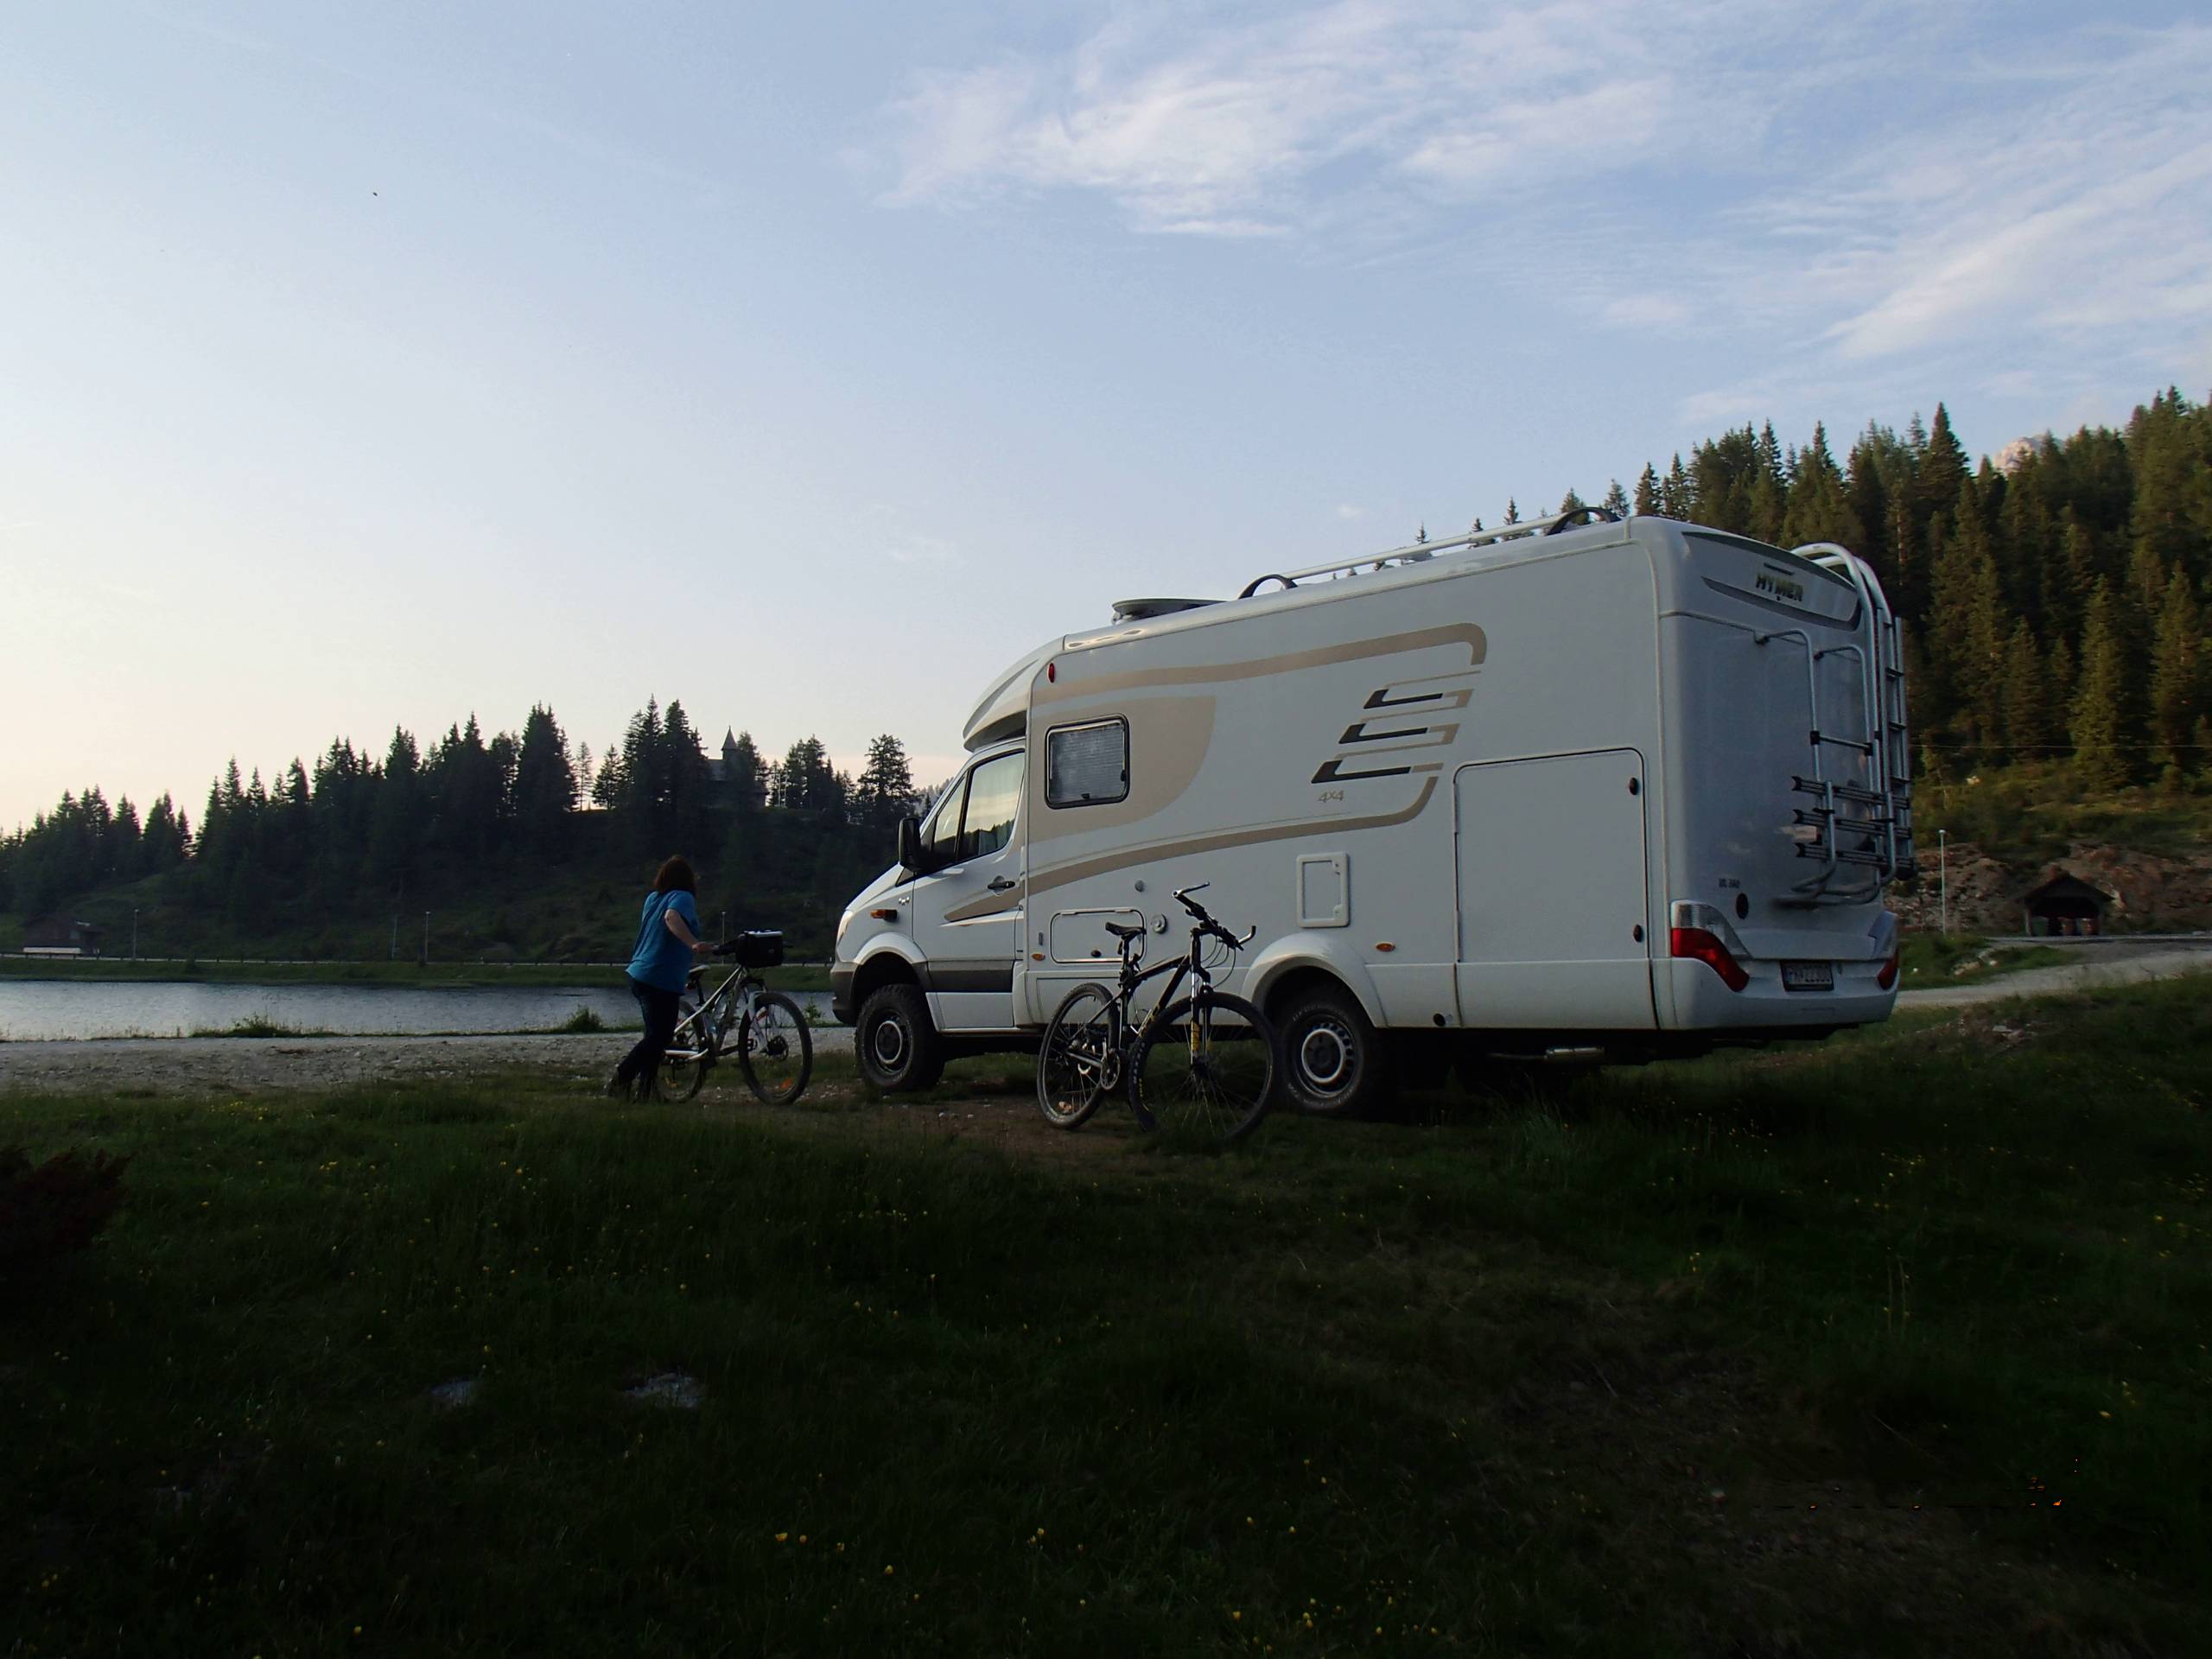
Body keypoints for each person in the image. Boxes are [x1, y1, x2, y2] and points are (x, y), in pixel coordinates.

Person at [606, 855, 713, 1099]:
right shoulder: (682, 897)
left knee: (653, 1037)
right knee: (661, 1036)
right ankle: (621, 1077)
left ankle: (646, 1092)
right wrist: (694, 944)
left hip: (639, 973)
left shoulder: (653, 898)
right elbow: (671, 918)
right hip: (658, 977)